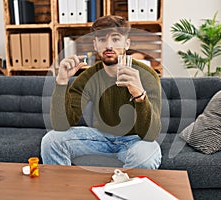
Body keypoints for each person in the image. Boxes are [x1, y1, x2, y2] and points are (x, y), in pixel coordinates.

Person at [41, 15, 162, 169]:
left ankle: (124, 192)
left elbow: (150, 135)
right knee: (51, 141)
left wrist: (139, 96)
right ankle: (63, 191)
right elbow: (60, 125)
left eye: (116, 39)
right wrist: (61, 82)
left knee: (146, 157)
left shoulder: (147, 75)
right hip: (99, 138)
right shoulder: (88, 77)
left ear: (127, 44)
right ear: (95, 44)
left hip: (136, 140)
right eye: (102, 40)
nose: (109, 46)